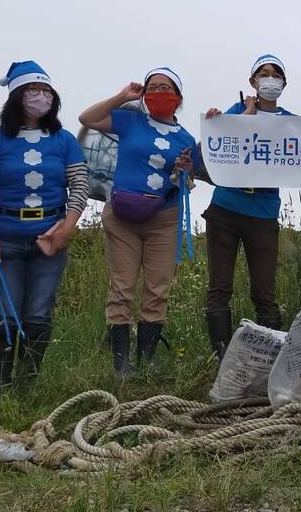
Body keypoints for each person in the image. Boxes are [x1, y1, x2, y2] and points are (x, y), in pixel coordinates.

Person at [0, 61, 88, 390]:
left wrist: (67, 227)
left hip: (49, 238)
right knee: (3, 315)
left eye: (46, 91)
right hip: (4, 238)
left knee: (39, 313)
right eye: (33, 90)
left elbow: (79, 184)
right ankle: (0, 388)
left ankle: (27, 386)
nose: (41, 96)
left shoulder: (64, 140)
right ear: (17, 97)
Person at [79, 67, 198, 375]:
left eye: (165, 87)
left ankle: (146, 363)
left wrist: (186, 170)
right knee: (121, 288)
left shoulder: (185, 138)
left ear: (178, 97)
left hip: (164, 219)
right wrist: (122, 96)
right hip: (121, 216)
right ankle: (121, 365)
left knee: (157, 289)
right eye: (152, 87)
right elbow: (87, 118)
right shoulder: (130, 120)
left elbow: (187, 182)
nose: (158, 92)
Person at [201, 54, 294, 357]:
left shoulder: (292, 122)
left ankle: (267, 358)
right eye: (263, 74)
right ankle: (221, 357)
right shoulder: (237, 111)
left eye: (275, 74)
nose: (269, 79)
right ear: (252, 81)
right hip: (225, 209)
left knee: (265, 292)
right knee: (219, 288)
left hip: (264, 212)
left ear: (283, 82)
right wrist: (241, 113)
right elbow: (215, 145)